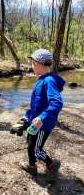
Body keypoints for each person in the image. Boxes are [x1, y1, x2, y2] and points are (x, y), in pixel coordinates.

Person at [22, 48, 65, 176]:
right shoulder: (41, 79)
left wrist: (42, 117)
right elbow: (37, 104)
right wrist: (25, 117)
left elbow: (56, 102)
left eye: (34, 64)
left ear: (41, 64)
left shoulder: (49, 81)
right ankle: (32, 165)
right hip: (35, 122)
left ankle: (50, 164)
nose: (32, 66)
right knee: (30, 142)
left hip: (43, 125)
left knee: (36, 149)